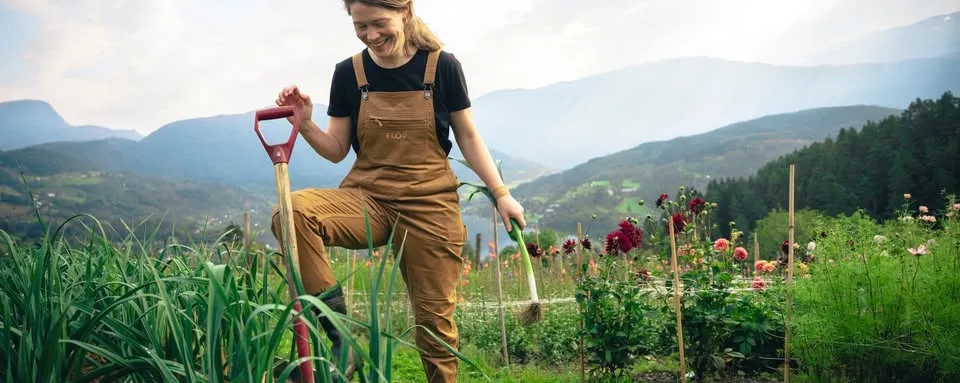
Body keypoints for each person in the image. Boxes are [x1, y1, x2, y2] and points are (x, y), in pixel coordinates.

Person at [271, 0, 527, 382]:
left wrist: (502, 193)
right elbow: (336, 150)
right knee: (292, 212)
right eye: (360, 27)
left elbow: (469, 137)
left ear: (405, 11)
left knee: (433, 326)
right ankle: (340, 337)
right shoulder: (348, 73)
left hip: (429, 205)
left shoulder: (442, 67)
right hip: (368, 199)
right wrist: (305, 123)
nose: (371, 36)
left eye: (379, 24)